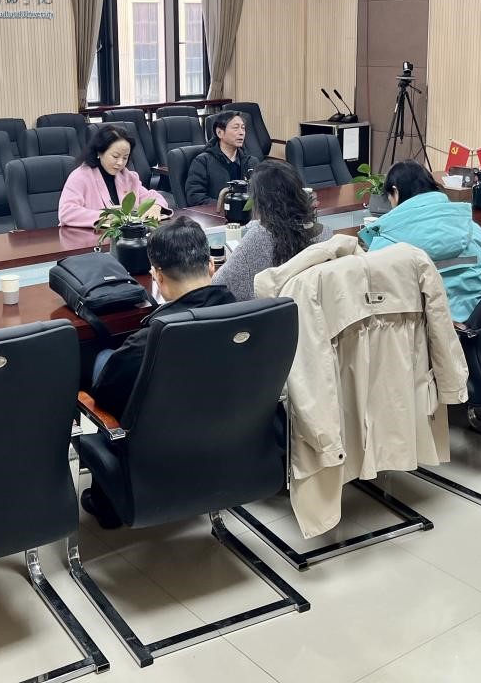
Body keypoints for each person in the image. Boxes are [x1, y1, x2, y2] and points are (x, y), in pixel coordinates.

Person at [83, 217, 235, 528]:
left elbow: (105, 394)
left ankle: (106, 501)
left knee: (102, 359)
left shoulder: (149, 340)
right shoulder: (243, 316)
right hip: (223, 439)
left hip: (155, 451)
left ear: (158, 276)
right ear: (211, 266)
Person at [359, 160, 481, 322]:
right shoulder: (470, 228)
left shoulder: (386, 241)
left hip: (422, 331)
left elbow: (373, 293)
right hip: (477, 323)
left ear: (395, 191)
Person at [211, 160, 330, 302]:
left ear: (260, 201)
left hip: (273, 315)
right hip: (314, 311)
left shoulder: (259, 237)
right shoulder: (325, 233)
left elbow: (218, 286)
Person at [58, 124, 167, 228]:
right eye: (115, 156)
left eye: (125, 158)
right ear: (99, 152)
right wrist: (105, 217)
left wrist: (156, 206)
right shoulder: (80, 177)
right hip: (87, 238)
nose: (120, 163)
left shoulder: (128, 177)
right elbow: (67, 212)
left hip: (125, 237)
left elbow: (152, 197)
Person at [184, 110, 260, 208]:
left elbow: (261, 194)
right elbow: (195, 197)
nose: (241, 133)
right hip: (216, 215)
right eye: (236, 128)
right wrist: (227, 207)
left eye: (243, 128)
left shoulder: (251, 162)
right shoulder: (202, 162)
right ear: (220, 133)